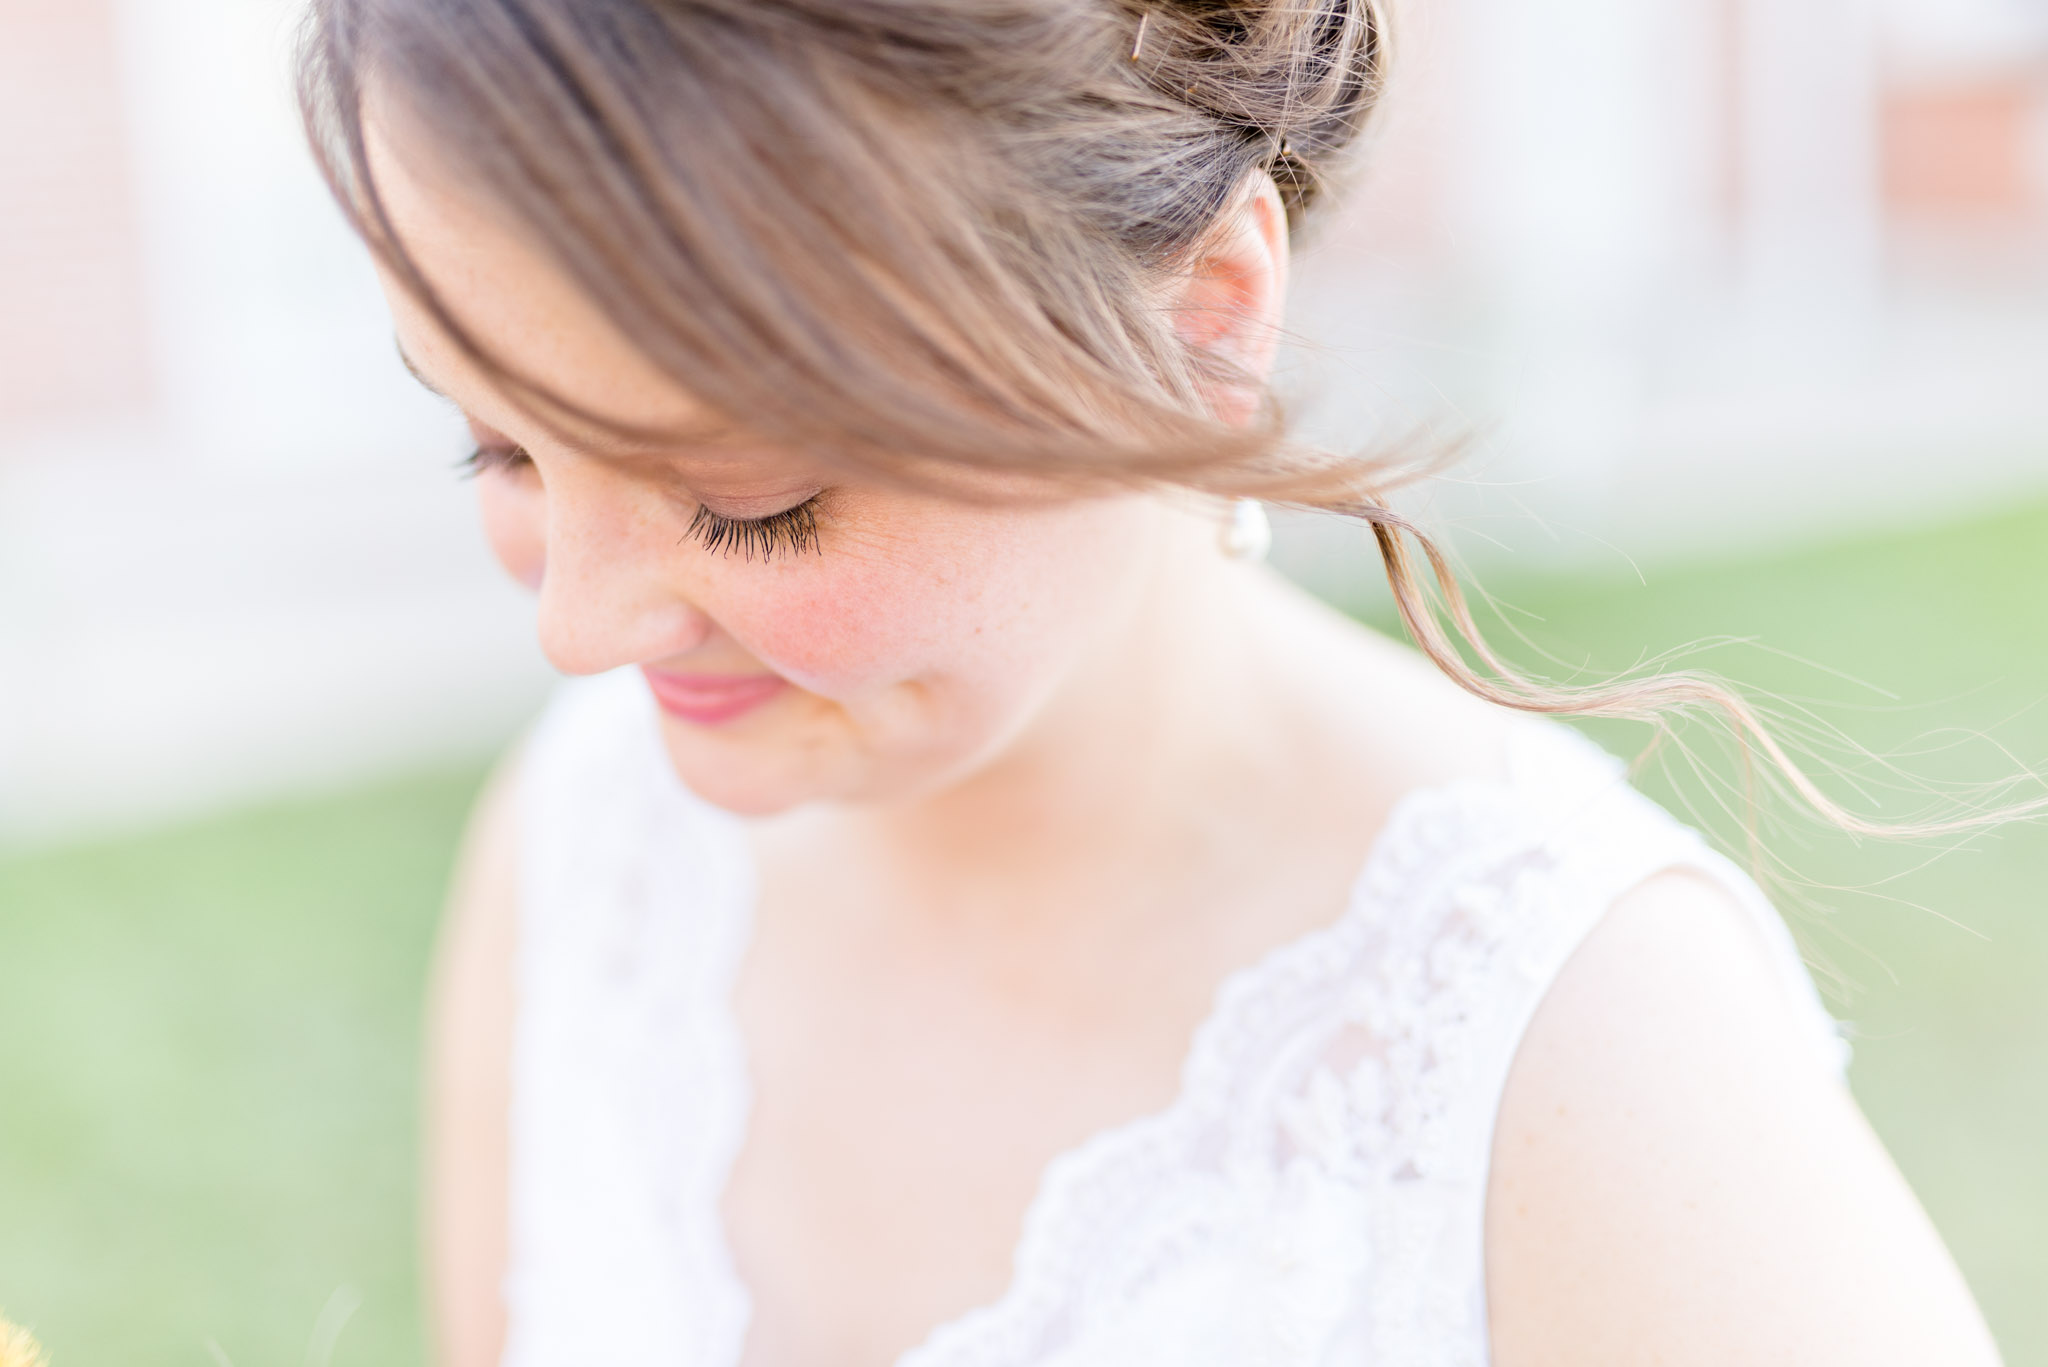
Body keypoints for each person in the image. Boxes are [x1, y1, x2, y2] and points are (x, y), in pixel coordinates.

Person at [296, 2, 2006, 1364]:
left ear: (1199, 324)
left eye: (746, 501)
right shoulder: (591, 839)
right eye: (496, 445)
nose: (579, 633)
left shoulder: (1581, 1066)